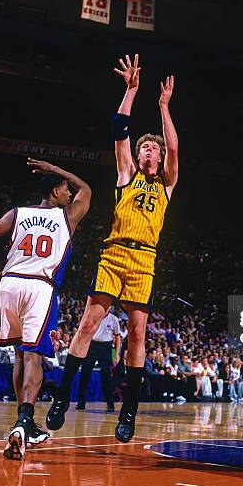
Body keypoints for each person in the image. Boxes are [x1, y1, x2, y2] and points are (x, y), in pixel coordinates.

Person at [46, 54, 179, 444]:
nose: (151, 152)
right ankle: (61, 397)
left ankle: (130, 411)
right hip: (115, 253)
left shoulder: (167, 185)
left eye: (154, 150)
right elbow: (119, 128)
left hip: (145, 260)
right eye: (146, 150)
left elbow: (174, 147)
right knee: (87, 324)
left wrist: (164, 108)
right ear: (139, 157)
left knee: (137, 336)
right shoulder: (126, 176)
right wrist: (131, 90)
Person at [0, 159, 91, 460]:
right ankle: (25, 419)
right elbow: (87, 189)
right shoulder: (67, 218)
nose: (69, 193)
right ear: (55, 191)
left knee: (18, 355)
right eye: (65, 190)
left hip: (9, 285)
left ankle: (23, 420)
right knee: (33, 357)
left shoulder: (18, 214)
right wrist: (56, 169)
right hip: (39, 287)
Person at [76, 307, 121, 412]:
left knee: (106, 376)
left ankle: (110, 404)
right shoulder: (93, 314)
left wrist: (117, 354)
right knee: (84, 374)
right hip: (92, 345)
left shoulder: (114, 319)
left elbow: (118, 337)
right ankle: (81, 402)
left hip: (106, 347)